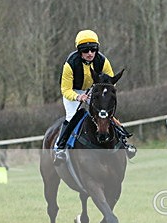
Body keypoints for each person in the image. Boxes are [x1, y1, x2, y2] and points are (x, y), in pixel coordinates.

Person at [54, 29, 136, 164]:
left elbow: (110, 82)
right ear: (79, 51)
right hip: (74, 92)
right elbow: (65, 89)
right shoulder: (70, 64)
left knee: (105, 114)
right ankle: (60, 148)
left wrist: (105, 96)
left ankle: (125, 144)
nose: (90, 53)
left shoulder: (103, 61)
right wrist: (78, 97)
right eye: (86, 51)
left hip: (94, 90)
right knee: (72, 117)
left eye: (93, 50)